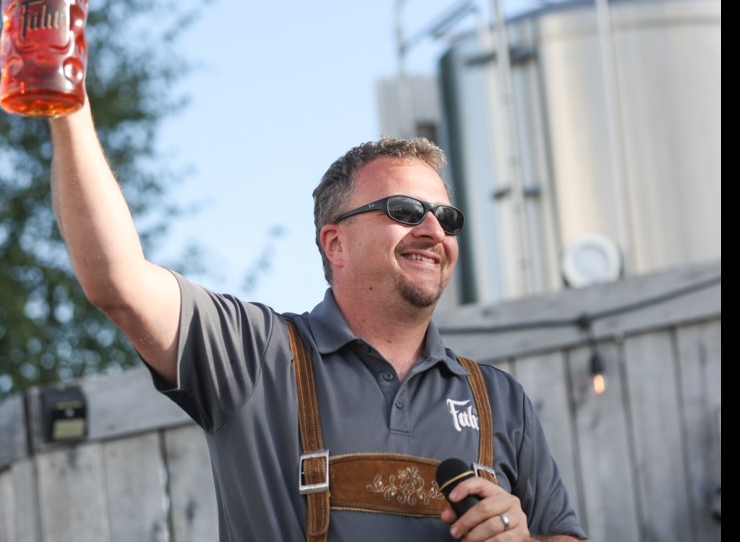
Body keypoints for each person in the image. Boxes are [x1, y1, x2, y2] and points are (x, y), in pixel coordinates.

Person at [49, 99, 588, 542]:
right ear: (336, 243)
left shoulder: (499, 398)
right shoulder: (255, 357)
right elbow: (116, 281)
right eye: (404, 210)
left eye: (446, 217)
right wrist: (67, 104)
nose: (432, 229)